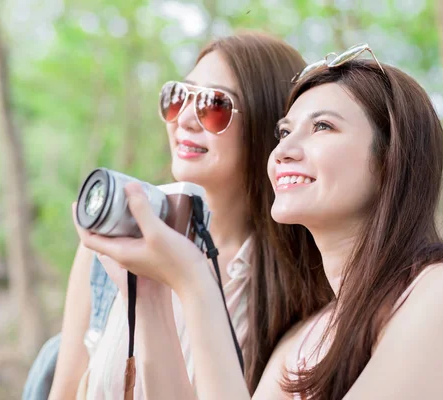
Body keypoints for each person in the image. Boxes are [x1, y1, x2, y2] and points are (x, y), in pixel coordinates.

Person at [75, 44, 443, 399]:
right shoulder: (306, 339)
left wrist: (195, 280)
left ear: (390, 161)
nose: (284, 150)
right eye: (286, 132)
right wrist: (152, 291)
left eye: (323, 127)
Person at [25, 32, 332, 400]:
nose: (184, 118)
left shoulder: (298, 294)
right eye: (178, 97)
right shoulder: (111, 244)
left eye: (214, 104)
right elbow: (63, 393)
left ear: (270, 129)